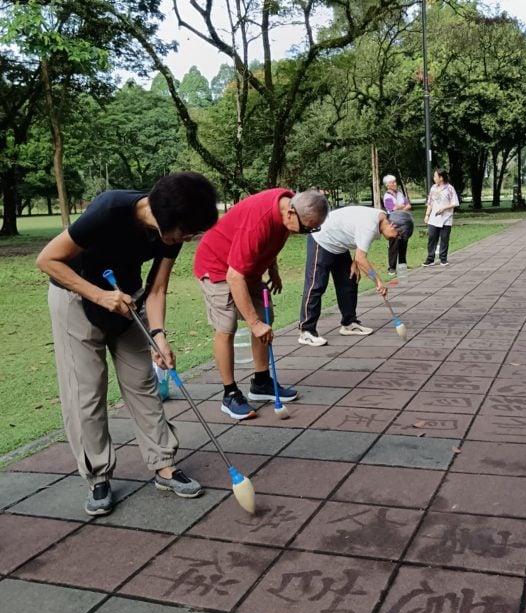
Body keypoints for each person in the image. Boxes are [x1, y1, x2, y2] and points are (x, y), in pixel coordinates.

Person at [36, 172, 219, 517]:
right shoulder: (109, 209)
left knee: (143, 383)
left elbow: (158, 288)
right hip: (75, 295)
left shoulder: (171, 233)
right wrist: (99, 296)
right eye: (190, 232)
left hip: (128, 299)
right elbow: (47, 260)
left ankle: (163, 465)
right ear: (169, 221)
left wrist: (159, 335)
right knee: (87, 393)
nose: (191, 238)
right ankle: (98, 476)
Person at [194, 188, 329, 419]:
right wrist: (253, 323)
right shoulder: (258, 222)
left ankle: (261, 382)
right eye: (307, 228)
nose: (308, 233)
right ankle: (230, 394)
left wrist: (272, 269)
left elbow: (271, 240)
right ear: (290, 213)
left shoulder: (290, 207)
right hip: (217, 266)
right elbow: (234, 276)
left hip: (248, 268)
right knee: (227, 327)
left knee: (265, 319)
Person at [298, 209, 414, 347]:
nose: (395, 238)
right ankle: (306, 331)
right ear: (393, 225)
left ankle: (349, 323)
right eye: (398, 235)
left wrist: (355, 261)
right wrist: (378, 281)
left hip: (339, 245)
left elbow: (358, 246)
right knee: (316, 286)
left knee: (350, 279)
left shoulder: (380, 219)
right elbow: (361, 258)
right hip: (322, 239)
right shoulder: (370, 226)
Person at [422, 168, 459, 267]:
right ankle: (430, 259)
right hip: (433, 218)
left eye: (435, 176)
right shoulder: (433, 188)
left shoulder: (450, 188)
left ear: (441, 178)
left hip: (446, 218)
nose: (434, 178)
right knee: (432, 238)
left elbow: (455, 203)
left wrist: (444, 208)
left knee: (444, 238)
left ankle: (443, 259)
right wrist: (427, 215)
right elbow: (430, 202)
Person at [382, 174, 412, 276]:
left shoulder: (399, 194)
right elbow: (392, 208)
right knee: (394, 244)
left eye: (395, 182)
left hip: (404, 221)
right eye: (392, 182)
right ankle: (392, 267)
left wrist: (401, 207)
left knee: (404, 242)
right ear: (388, 185)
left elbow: (408, 205)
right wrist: (402, 207)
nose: (395, 184)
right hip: (393, 222)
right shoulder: (387, 196)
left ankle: (402, 264)